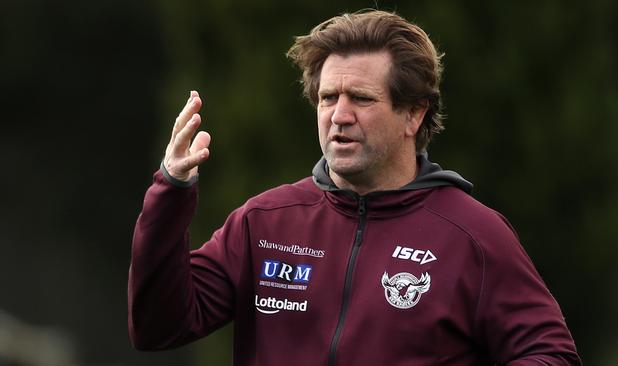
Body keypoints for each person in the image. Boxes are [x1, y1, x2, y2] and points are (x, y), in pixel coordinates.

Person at [128, 10, 581, 366]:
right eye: (328, 98)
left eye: (361, 98)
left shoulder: (473, 235)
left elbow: (552, 354)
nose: (339, 115)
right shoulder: (265, 222)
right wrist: (171, 189)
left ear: (414, 114)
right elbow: (158, 328)